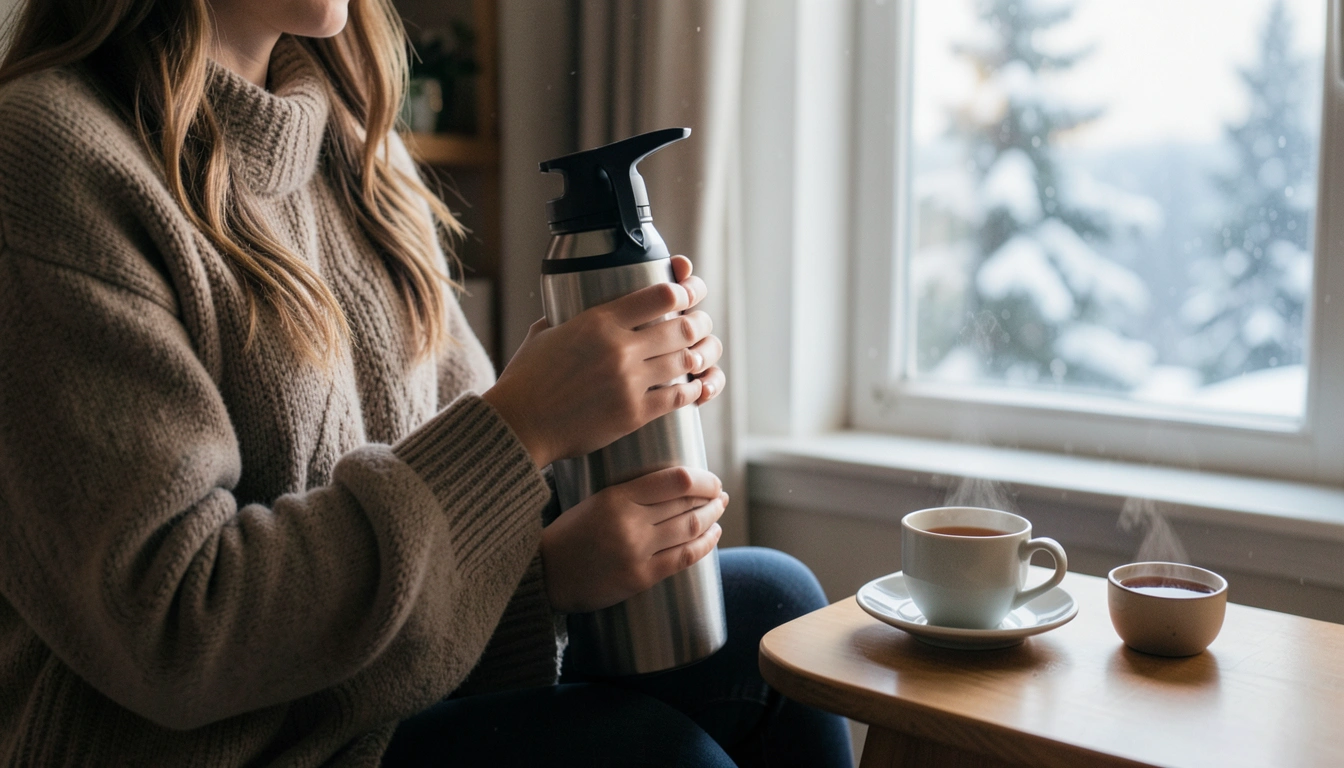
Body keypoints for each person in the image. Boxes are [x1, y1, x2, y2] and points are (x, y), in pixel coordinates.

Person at [0, 0, 853, 766]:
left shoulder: (358, 147)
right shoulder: (46, 158)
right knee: (651, 756)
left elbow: (474, 498)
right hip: (241, 747)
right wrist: (521, 423)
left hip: (382, 691)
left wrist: (578, 477)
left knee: (774, 611)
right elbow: (180, 630)